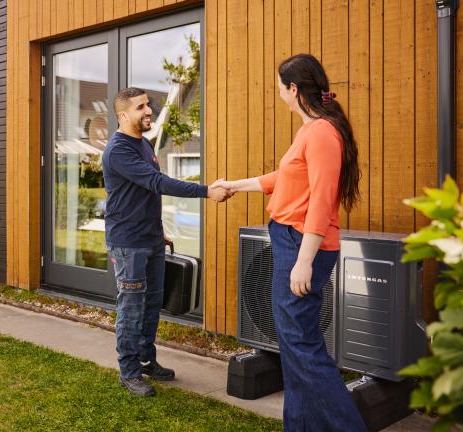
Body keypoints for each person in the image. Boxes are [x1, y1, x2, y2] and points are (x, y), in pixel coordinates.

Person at [216, 54, 366, 431]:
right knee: (294, 346)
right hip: (291, 240)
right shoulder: (311, 129)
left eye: (280, 87)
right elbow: (284, 177)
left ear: (294, 90)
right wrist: (236, 185)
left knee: (301, 346)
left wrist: (304, 260)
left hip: (301, 244)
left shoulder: (320, 132)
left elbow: (322, 199)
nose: (278, 93)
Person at [102, 87, 230, 397]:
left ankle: (146, 360)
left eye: (148, 105)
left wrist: (159, 230)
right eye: (140, 107)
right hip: (128, 243)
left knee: (151, 305)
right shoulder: (118, 150)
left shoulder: (143, 145)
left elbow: (146, 194)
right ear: (123, 115)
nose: (148, 111)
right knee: (131, 307)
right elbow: (157, 182)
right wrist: (206, 191)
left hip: (151, 239)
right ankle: (129, 371)